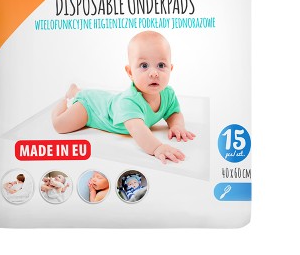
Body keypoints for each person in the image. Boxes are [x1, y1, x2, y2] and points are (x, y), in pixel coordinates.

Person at [51, 31, 195, 164]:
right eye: (144, 65)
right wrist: (157, 147)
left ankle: (76, 91)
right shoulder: (129, 101)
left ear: (170, 69)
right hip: (91, 108)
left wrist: (177, 125)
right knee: (60, 125)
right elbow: (137, 129)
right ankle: (68, 97)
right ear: (130, 72)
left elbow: (174, 113)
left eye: (161, 65)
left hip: (107, 100)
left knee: (106, 99)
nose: (153, 73)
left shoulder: (168, 94)